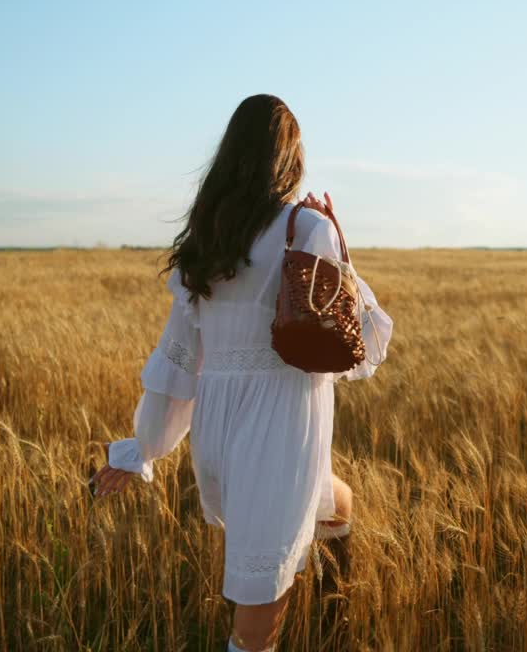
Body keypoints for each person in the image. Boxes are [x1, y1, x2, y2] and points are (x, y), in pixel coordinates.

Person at [90, 94, 393, 652]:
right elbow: (364, 343)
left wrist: (146, 446)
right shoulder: (306, 226)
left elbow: (178, 360)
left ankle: (334, 609)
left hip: (221, 431)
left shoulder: (206, 242)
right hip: (283, 425)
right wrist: (341, 250)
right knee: (256, 623)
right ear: (290, 158)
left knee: (330, 501)